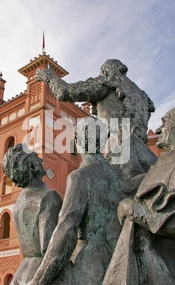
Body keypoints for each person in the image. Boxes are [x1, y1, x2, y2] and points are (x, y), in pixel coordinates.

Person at [103, 104, 175, 285]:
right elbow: (136, 180)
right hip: (147, 265)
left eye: (165, 122)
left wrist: (131, 209)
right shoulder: (170, 161)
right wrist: (128, 145)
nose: (159, 129)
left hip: (162, 269)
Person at [36, 59, 157, 198]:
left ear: (106, 72)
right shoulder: (141, 95)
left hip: (119, 149)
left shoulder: (106, 84)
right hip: (144, 152)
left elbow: (65, 92)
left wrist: (48, 76)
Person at [25, 116, 121, 285]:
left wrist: (39, 281)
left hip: (92, 266)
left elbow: (66, 231)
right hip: (120, 260)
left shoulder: (80, 177)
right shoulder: (118, 176)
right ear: (104, 140)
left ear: (77, 141)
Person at [2, 144, 63, 285]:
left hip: (23, 271)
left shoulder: (19, 203)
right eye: (37, 158)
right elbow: (49, 248)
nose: (41, 161)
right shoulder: (48, 197)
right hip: (40, 273)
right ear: (31, 166)